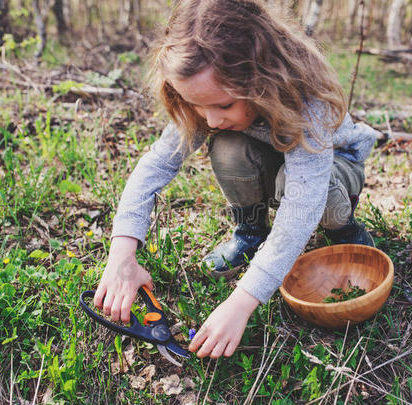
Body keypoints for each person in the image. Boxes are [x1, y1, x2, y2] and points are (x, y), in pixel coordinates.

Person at [93, 0, 378, 359]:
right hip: (278, 159)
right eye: (196, 104)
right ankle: (251, 233)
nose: (209, 120)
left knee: (307, 192)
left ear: (261, 80)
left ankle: (343, 230)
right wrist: (122, 255)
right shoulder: (209, 100)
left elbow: (299, 210)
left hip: (335, 164)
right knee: (227, 146)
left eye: (223, 106)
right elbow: (154, 168)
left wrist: (242, 302)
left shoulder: (306, 102)